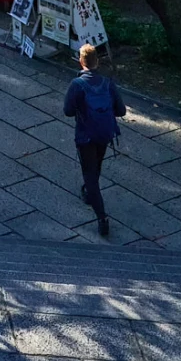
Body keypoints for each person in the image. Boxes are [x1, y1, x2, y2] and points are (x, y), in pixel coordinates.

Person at [64, 42, 126, 237]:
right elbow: (121, 110)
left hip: (85, 135)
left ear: (81, 62)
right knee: (96, 165)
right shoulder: (107, 83)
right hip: (104, 133)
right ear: (97, 62)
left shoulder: (77, 85)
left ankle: (101, 216)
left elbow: (67, 111)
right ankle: (90, 193)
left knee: (89, 173)